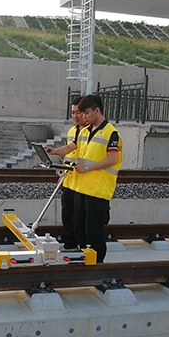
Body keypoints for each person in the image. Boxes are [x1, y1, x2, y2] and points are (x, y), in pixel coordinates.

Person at [72, 94, 122, 263]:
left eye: (86, 113)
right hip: (82, 187)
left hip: (98, 190)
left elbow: (111, 159)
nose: (83, 117)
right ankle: (85, 259)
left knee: (93, 231)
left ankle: (97, 265)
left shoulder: (111, 133)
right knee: (79, 227)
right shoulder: (85, 132)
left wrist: (87, 167)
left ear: (96, 110)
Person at [45, 96, 86, 250]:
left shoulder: (90, 132)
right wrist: (61, 175)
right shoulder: (72, 130)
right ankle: (69, 242)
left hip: (83, 182)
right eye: (73, 112)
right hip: (69, 180)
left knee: (79, 217)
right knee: (67, 214)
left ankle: (81, 245)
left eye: (78, 112)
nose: (75, 116)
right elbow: (69, 154)